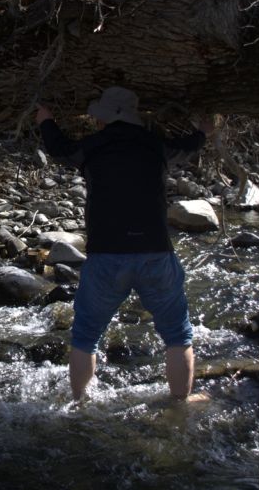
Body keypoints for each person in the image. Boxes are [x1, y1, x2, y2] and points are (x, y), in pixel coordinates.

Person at [35, 86, 212, 402]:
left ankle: (80, 405)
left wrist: (46, 118)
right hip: (155, 253)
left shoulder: (91, 147)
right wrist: (204, 129)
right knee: (178, 336)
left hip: (106, 256)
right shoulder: (156, 146)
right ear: (134, 117)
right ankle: (180, 404)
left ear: (104, 120)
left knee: (86, 337)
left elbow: (58, 147)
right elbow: (188, 147)